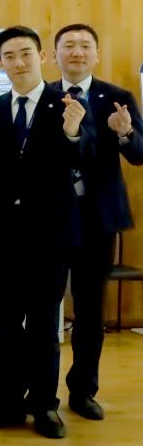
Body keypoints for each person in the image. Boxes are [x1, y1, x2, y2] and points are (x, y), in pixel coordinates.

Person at [0, 25, 90, 439]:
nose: (18, 62)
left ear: (41, 56)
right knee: (4, 325)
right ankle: (7, 402)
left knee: (42, 326)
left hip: (49, 236)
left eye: (25, 53)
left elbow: (86, 159)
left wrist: (73, 134)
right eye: (9, 56)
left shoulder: (68, 105)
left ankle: (44, 406)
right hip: (1, 237)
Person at [49, 23, 143, 420]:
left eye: (85, 45)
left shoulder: (117, 97)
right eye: (68, 45)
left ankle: (83, 390)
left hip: (97, 218)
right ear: (55, 54)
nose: (77, 52)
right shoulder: (43, 97)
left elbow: (139, 154)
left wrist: (125, 134)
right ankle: (41, 393)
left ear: (97, 54)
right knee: (43, 309)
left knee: (89, 311)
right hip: (51, 218)